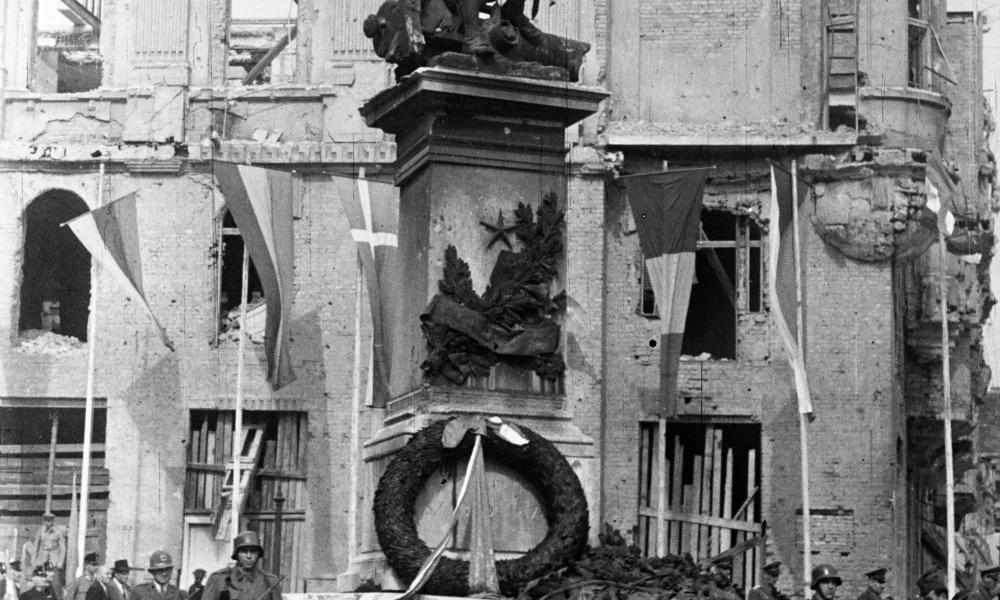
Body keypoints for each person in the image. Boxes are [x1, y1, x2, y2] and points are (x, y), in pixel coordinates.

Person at [202, 532, 279, 600]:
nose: (249, 556)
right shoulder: (219, 579)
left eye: (253, 551)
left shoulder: (270, 581)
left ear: (258, 554)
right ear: (236, 554)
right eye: (244, 551)